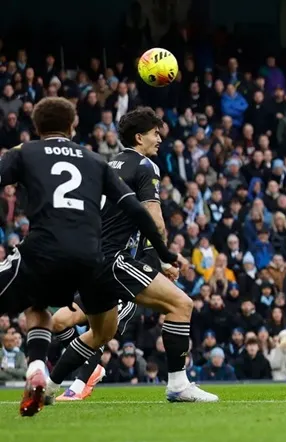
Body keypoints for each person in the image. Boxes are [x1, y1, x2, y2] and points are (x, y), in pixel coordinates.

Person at [0, 98, 179, 416]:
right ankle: (68, 373)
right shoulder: (94, 159)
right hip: (91, 257)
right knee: (102, 331)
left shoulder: (24, 152)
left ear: (37, 127)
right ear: (73, 126)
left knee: (37, 305)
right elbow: (137, 210)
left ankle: (38, 365)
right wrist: (165, 253)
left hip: (42, 248)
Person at [44, 107, 218, 404]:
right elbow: (154, 219)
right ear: (139, 137)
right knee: (181, 304)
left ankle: (47, 388)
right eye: (154, 133)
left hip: (89, 262)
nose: (159, 139)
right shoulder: (145, 166)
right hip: (113, 260)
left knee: (100, 334)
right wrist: (165, 256)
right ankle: (178, 384)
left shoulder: (104, 166)